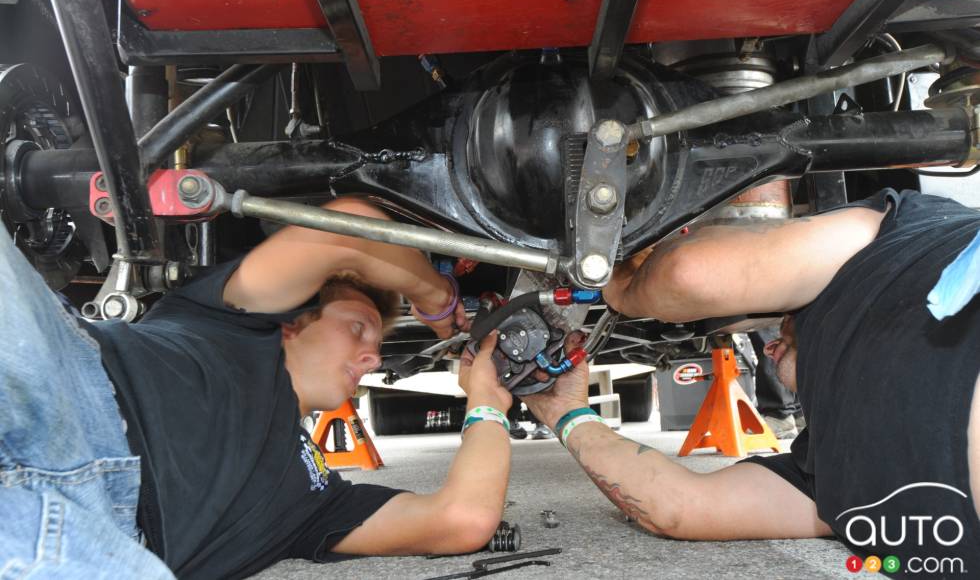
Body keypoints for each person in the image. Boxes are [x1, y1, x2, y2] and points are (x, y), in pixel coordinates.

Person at [0, 197, 515, 579]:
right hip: (59, 379)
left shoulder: (314, 503)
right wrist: (436, 298)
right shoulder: (222, 320)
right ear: (292, 320)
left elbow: (462, 520)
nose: (373, 357)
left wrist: (487, 400)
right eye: (358, 327)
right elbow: (351, 231)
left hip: (101, 542)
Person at [524, 189, 980, 570]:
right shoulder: (908, 238)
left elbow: (679, 508)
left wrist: (568, 412)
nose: (766, 344)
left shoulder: (821, 478)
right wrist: (618, 299)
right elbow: (691, 274)